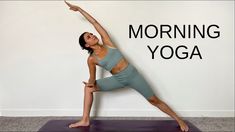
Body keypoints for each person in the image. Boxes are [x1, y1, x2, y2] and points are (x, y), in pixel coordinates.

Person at [64, 1, 189, 131]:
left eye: (91, 34)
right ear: (87, 45)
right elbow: (92, 78)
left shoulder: (107, 42)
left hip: (132, 75)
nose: (93, 36)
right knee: (88, 89)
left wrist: (79, 9)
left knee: (154, 100)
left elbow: (95, 23)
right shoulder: (91, 59)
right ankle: (85, 120)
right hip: (118, 79)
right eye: (89, 37)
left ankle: (179, 120)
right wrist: (90, 83)